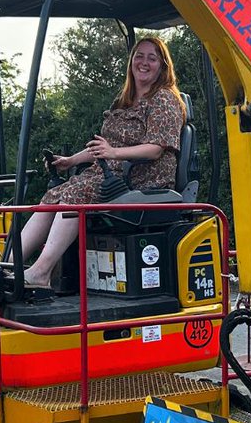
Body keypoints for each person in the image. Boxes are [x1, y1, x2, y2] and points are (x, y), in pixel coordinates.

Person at [19, 36, 186, 289]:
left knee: (76, 193)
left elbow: (155, 150)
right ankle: (4, 266)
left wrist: (114, 154)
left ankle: (41, 272)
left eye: (152, 58)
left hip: (144, 179)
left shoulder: (164, 99)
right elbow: (103, 148)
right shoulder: (124, 101)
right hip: (112, 175)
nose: (144, 62)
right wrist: (70, 160)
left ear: (162, 66)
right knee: (53, 195)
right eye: (139, 56)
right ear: (131, 62)